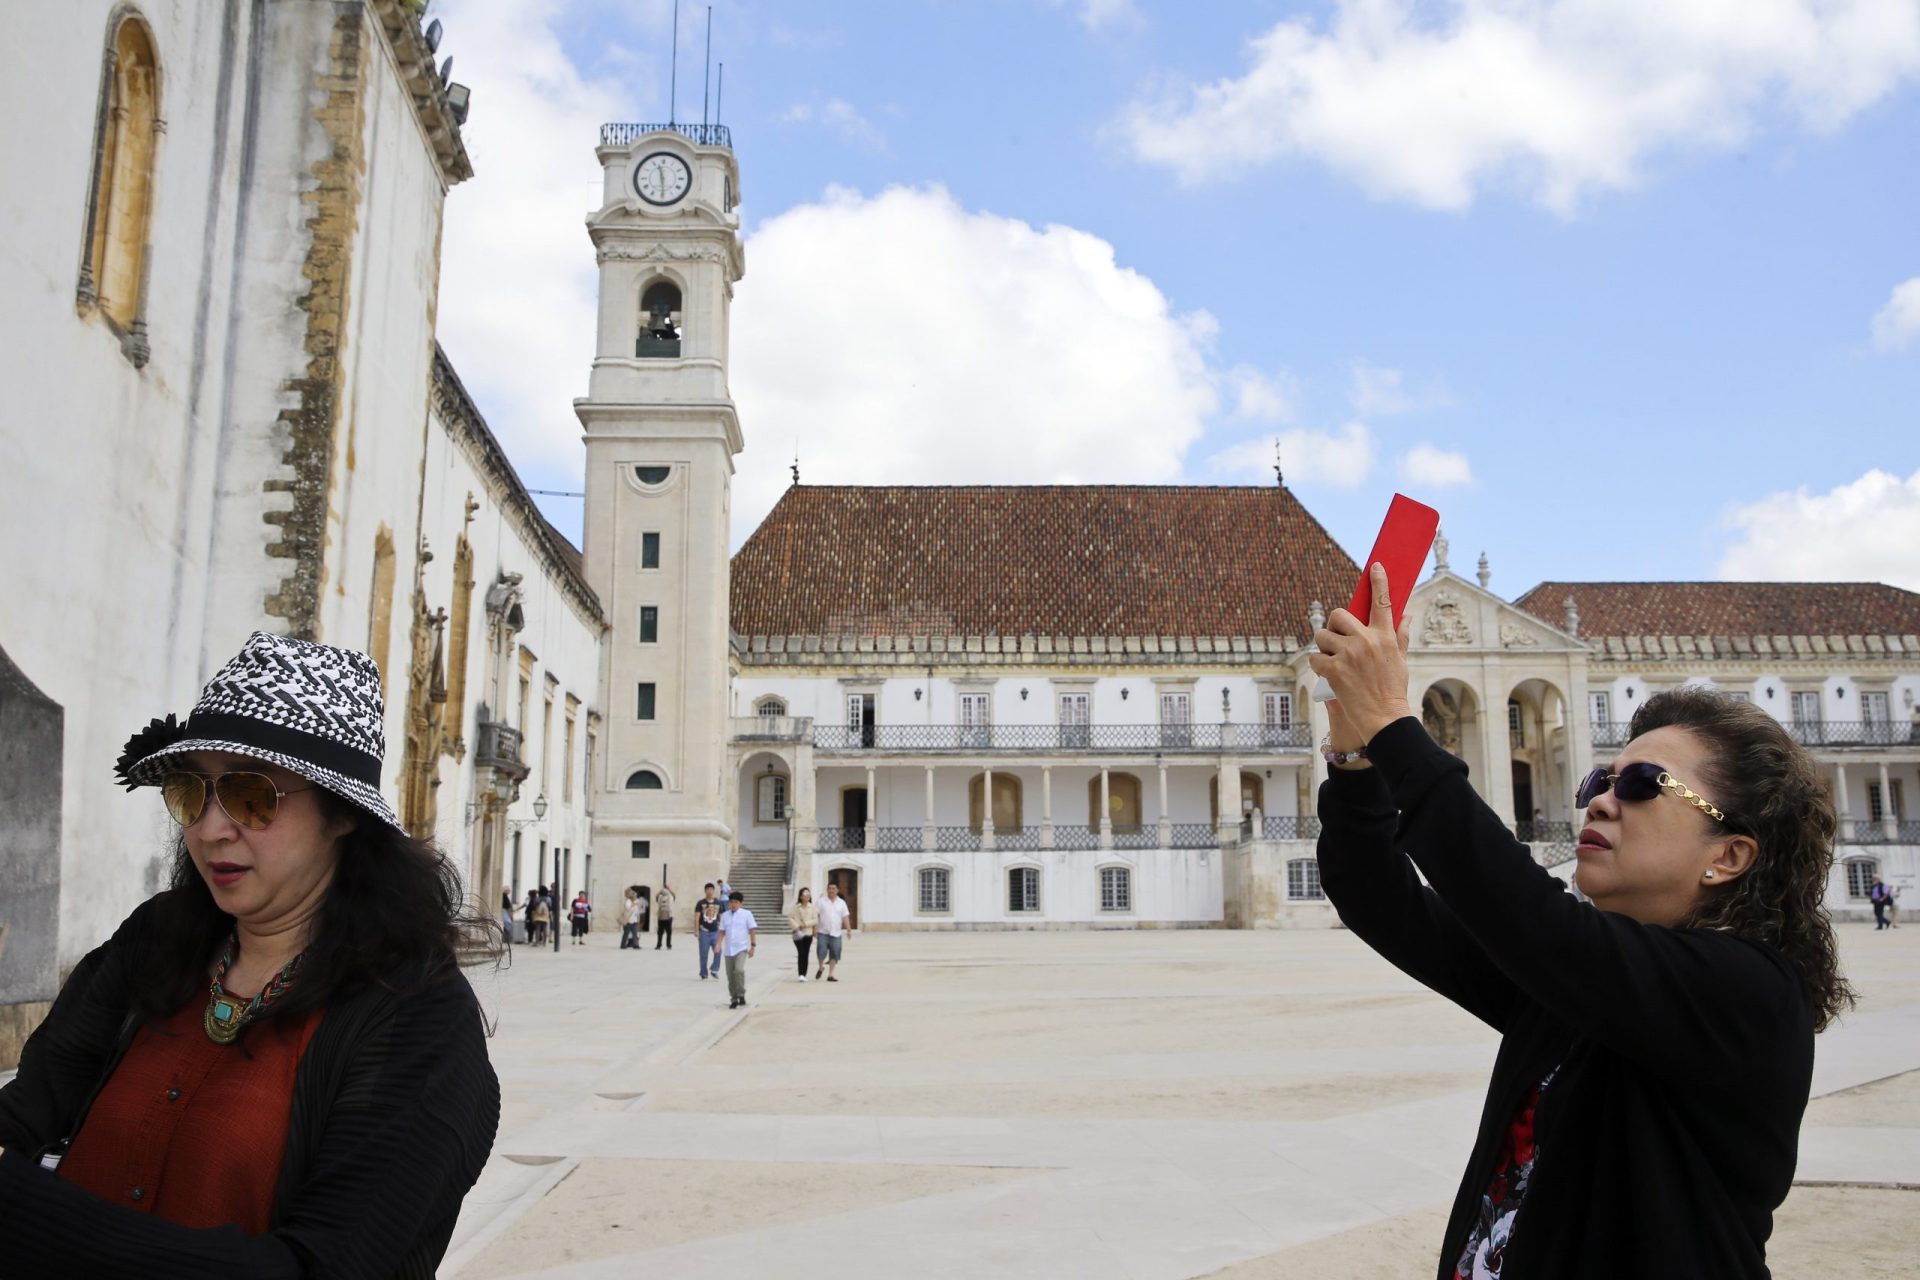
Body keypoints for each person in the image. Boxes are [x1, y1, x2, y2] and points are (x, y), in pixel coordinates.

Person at [1309, 565, 1851, 1279]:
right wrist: (1355, 759)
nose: (1599, 801)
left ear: (1729, 854)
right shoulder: (1572, 992)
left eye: (1640, 786)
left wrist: (1394, 726)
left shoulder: (1747, 993)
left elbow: (1532, 918)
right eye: (1601, 780)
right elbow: (1381, 897)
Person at [0, 631, 500, 1273]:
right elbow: (30, 1109)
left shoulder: (418, 1018)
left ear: (343, 814)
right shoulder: (157, 941)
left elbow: (324, 1265)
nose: (209, 828)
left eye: (251, 794)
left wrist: (22, 1207)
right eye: (192, 791)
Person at [719, 891, 758, 1009]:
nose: (733, 904)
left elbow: (752, 930)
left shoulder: (747, 914)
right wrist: (717, 945)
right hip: (728, 950)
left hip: (741, 949)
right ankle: (734, 998)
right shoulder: (725, 915)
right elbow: (722, 932)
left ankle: (741, 992)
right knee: (730, 976)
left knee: (739, 970)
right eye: (732, 902)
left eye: (736, 902)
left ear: (741, 903)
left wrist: (753, 946)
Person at [815, 880, 852, 982]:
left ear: (837, 890)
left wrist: (848, 929)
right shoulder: (821, 901)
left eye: (833, 888)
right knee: (821, 952)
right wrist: (815, 929)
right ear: (827, 889)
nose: (831, 890)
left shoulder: (841, 903)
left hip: (836, 933)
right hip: (823, 932)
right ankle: (821, 966)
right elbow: (815, 916)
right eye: (829, 888)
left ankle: (831, 975)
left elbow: (845, 916)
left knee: (835, 953)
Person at [695, 883, 725, 980]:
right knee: (703, 953)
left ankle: (714, 969)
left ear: (713, 891)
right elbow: (696, 917)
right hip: (704, 932)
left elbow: (721, 916)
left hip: (715, 932)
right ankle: (703, 973)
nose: (709, 891)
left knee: (718, 951)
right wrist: (696, 931)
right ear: (705, 891)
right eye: (708, 889)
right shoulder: (700, 903)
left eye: (711, 889)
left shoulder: (718, 903)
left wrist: (722, 930)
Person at [788, 887, 819, 981]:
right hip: (798, 933)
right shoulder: (796, 907)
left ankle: (804, 974)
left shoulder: (812, 907)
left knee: (806, 954)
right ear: (801, 896)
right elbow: (790, 917)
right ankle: (800, 974)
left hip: (808, 933)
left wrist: (805, 924)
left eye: (808, 894)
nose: (807, 896)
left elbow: (815, 920)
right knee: (801, 953)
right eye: (805, 894)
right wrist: (796, 926)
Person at [653, 883, 674, 949]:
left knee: (660, 932)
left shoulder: (660, 898)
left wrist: (661, 890)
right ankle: (668, 945)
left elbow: (656, 895)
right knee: (668, 932)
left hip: (662, 917)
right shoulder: (670, 898)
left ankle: (659, 945)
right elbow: (674, 895)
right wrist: (669, 889)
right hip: (667, 917)